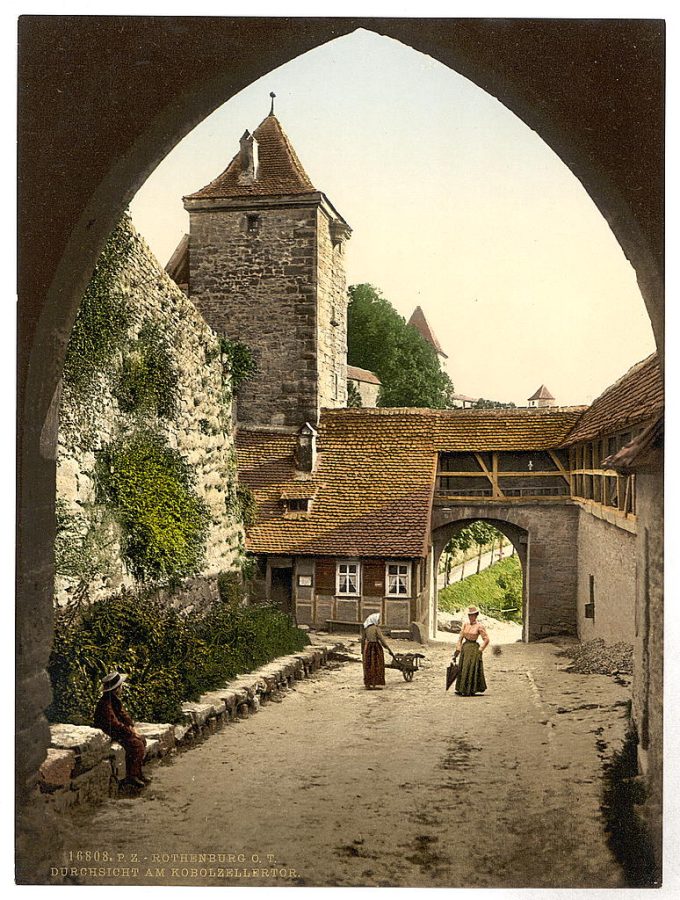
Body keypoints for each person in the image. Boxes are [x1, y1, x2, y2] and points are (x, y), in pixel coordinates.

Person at [93, 671, 150, 788]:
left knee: (141, 740)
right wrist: (130, 732)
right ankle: (131, 776)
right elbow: (114, 724)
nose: (122, 688)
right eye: (120, 686)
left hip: (117, 730)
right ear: (116, 688)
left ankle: (138, 773)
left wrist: (132, 726)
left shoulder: (114, 699)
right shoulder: (105, 703)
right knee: (136, 745)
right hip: (109, 731)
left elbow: (124, 715)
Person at [452, 606, 489, 696]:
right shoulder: (465, 625)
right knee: (463, 668)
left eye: (473, 615)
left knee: (471, 668)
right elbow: (460, 638)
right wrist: (458, 649)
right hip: (465, 648)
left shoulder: (479, 626)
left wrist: (480, 650)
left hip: (473, 649)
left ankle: (471, 689)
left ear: (476, 616)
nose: (471, 617)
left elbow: (486, 639)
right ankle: (461, 688)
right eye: (469, 615)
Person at [361, 613, 394, 690]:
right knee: (376, 665)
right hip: (375, 648)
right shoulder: (376, 629)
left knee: (368, 665)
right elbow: (382, 640)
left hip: (367, 648)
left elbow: (362, 640)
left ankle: (368, 684)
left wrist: (362, 650)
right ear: (374, 620)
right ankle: (374, 684)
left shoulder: (366, 628)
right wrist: (388, 648)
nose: (379, 621)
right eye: (378, 619)